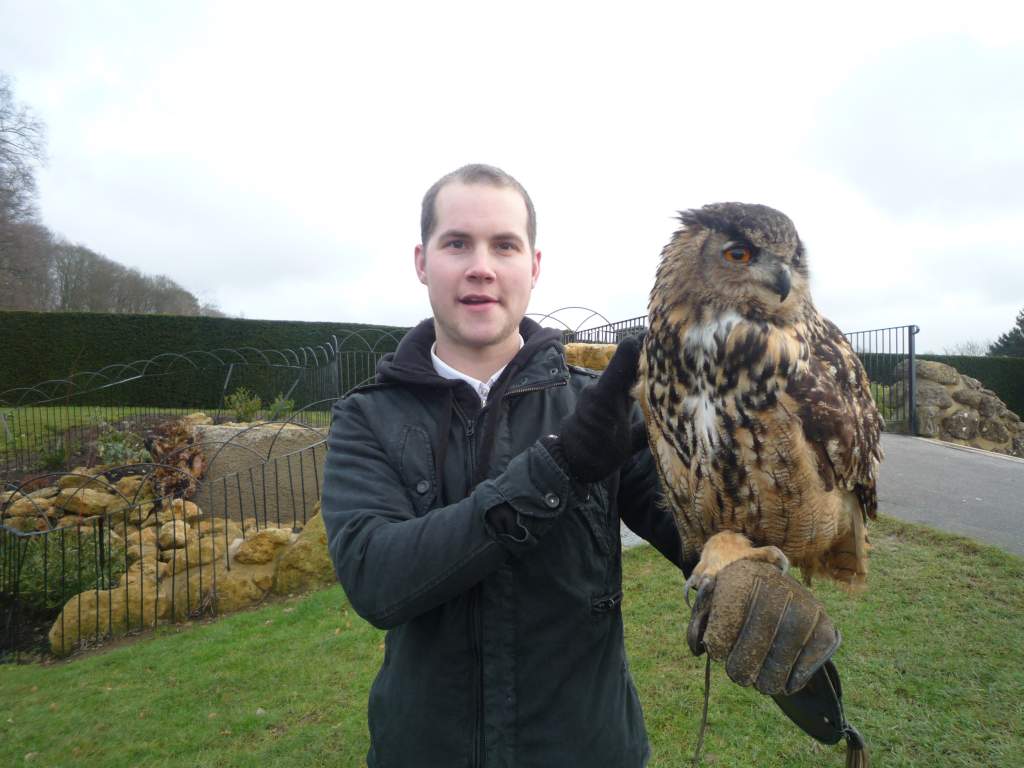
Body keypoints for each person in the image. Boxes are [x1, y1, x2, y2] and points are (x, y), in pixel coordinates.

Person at [320, 164, 839, 767]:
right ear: (422, 261)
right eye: (457, 243)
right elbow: (377, 580)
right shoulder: (368, 416)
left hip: (589, 750)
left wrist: (741, 566)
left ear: (533, 267)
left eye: (505, 245)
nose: (481, 266)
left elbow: (691, 528)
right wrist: (559, 467)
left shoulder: (606, 404)